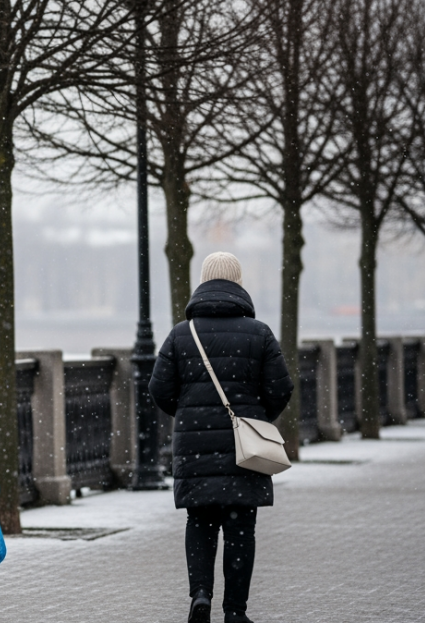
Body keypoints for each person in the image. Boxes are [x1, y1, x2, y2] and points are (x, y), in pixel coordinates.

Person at [149, 252, 293, 623]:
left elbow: (159, 390)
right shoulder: (259, 333)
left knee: (199, 523)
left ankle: (200, 594)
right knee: (240, 527)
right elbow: (281, 389)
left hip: (194, 450)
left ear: (203, 282)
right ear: (238, 284)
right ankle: (235, 611)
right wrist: (256, 418)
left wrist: (188, 417)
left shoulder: (182, 334)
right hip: (243, 450)